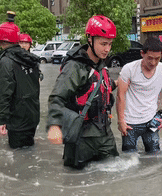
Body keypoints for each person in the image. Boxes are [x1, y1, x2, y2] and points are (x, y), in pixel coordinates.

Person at [47, 15, 119, 169]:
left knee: (114, 172)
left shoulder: (100, 63)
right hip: (81, 137)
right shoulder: (74, 67)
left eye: (110, 44)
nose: (107, 49)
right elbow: (57, 97)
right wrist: (54, 125)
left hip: (104, 133)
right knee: (74, 180)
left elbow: (97, 87)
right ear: (90, 40)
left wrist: (117, 83)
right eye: (103, 43)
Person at [117, 37, 162, 154]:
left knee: (154, 155)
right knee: (129, 159)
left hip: (151, 121)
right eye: (150, 58)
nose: (153, 63)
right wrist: (121, 121)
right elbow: (120, 95)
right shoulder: (129, 69)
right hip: (130, 123)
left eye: (157, 59)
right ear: (142, 53)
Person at [0, 11, 41, 149]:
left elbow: (5, 92)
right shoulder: (30, 59)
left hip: (17, 120)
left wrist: (1, 119)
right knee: (29, 151)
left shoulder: (6, 61)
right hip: (33, 115)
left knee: (18, 156)